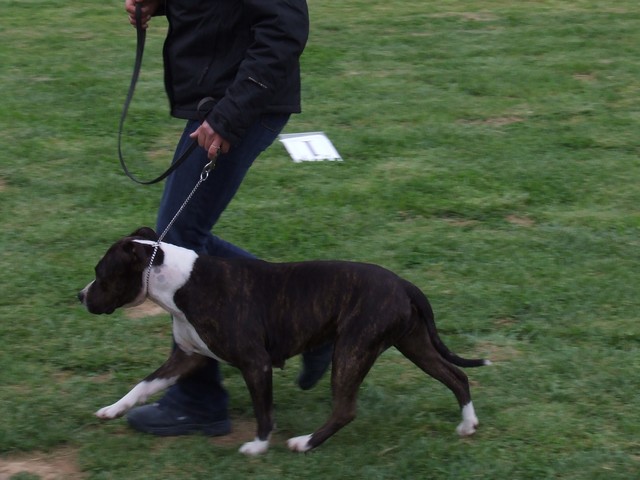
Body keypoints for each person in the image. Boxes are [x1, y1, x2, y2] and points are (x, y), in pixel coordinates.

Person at [122, 0, 332, 437]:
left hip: (240, 101)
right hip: (219, 95)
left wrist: (229, 115)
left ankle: (198, 400)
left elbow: (285, 27)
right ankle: (316, 320)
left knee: (180, 238)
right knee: (183, 236)